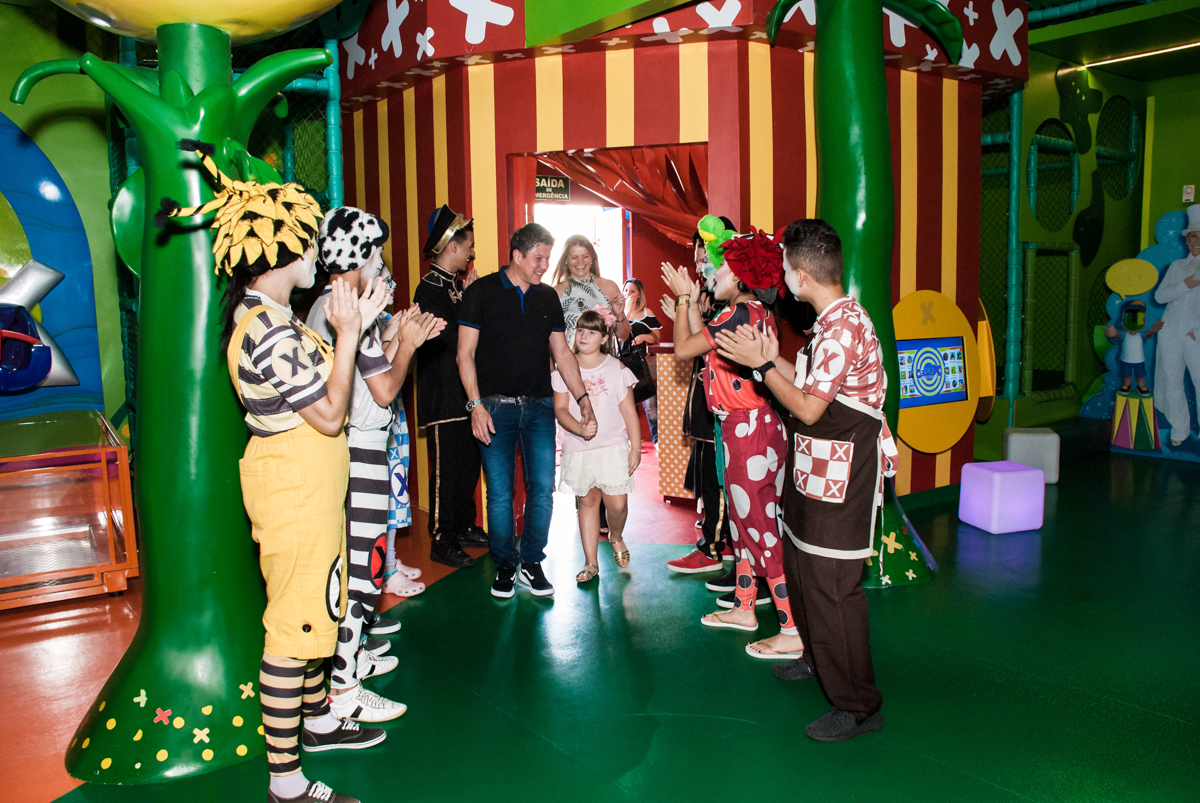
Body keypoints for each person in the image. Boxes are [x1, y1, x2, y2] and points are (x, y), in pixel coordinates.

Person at [164, 148, 386, 803]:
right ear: (278, 250)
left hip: (312, 490)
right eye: (305, 240)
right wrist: (348, 335)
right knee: (291, 635)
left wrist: (359, 324)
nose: (315, 250)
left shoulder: (276, 319)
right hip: (295, 492)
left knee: (317, 612)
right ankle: (286, 782)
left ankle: (316, 719)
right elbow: (328, 411)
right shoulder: (263, 325)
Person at [715, 219, 897, 743]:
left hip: (841, 473)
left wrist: (762, 367)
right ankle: (820, 661)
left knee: (833, 588)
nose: (783, 282)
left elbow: (810, 409)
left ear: (799, 274)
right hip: (816, 469)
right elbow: (814, 384)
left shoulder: (842, 328)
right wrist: (771, 357)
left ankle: (859, 705)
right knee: (800, 567)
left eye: (785, 272)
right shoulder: (831, 321)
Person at [308, 207, 444, 723]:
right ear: (356, 257)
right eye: (376, 256)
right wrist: (406, 343)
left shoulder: (328, 306)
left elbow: (368, 371)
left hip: (353, 450)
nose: (382, 267)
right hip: (358, 452)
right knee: (360, 575)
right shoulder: (346, 313)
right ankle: (343, 691)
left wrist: (396, 338)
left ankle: (350, 667)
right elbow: (383, 390)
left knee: (358, 569)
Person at [660, 225, 798, 659]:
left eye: (718, 266)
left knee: (760, 531)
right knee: (744, 526)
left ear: (739, 276)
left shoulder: (735, 315)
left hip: (746, 431)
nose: (709, 271)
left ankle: (791, 629)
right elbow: (707, 348)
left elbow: (684, 348)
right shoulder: (748, 313)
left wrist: (684, 300)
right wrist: (689, 308)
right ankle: (743, 607)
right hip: (752, 427)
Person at [458, 223, 596, 598]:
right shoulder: (481, 292)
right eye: (539, 258)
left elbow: (563, 354)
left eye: (548, 258)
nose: (544, 265)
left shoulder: (547, 297)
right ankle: (505, 564)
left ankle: (532, 561)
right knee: (499, 494)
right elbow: (464, 354)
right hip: (494, 410)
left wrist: (583, 400)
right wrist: (475, 405)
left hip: (539, 408)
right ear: (516, 256)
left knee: (543, 489)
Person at [413, 205, 489, 567]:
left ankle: (463, 526)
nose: (472, 253)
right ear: (452, 246)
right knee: (446, 471)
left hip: (465, 393)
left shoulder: (458, 288)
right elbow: (446, 336)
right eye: (469, 246)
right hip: (443, 392)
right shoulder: (428, 288)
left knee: (467, 465)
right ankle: (441, 538)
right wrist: (470, 307)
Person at [552, 310, 641, 582]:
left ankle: (615, 536)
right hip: (579, 447)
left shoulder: (616, 368)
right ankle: (591, 562)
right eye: (580, 330)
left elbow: (629, 411)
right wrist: (579, 428)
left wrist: (635, 448)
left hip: (613, 446)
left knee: (617, 504)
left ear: (604, 338)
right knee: (587, 501)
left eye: (591, 331)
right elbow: (560, 409)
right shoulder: (565, 368)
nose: (583, 336)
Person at [1154, 205, 1200, 445]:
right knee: (1171, 380)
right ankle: (1179, 429)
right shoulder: (1176, 267)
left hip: (1195, 335)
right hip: (1170, 332)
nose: (1197, 241)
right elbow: (1160, 297)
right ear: (1188, 239)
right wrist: (1186, 284)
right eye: (1194, 236)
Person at [551, 233, 630, 344]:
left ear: (592, 258)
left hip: (603, 359)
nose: (580, 261)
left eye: (585, 256)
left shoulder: (610, 287)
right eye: (574, 257)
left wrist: (620, 315)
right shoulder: (556, 292)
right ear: (566, 260)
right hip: (570, 360)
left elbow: (623, 336)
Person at [621, 278, 662, 444]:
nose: (629, 294)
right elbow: (618, 334)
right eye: (626, 291)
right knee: (626, 405)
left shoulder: (647, 313)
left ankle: (658, 442)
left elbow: (657, 338)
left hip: (641, 364)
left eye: (632, 291)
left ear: (639, 294)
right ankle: (627, 442)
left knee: (651, 407)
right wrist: (627, 312)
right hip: (622, 365)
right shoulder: (619, 314)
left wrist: (644, 336)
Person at [1105, 300, 1162, 396]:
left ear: (1144, 323)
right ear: (1123, 322)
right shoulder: (1124, 334)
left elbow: (1148, 334)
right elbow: (1119, 335)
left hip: (1139, 360)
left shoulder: (1141, 335)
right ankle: (1127, 385)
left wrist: (1152, 330)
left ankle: (1141, 386)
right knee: (1126, 373)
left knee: (1140, 374)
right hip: (1125, 359)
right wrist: (1114, 334)